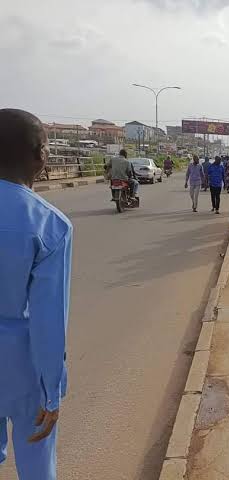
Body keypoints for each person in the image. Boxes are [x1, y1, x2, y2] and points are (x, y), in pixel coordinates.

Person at [0, 109, 73, 480]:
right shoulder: (48, 223)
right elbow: (49, 319)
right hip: (21, 365)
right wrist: (52, 391)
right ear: (39, 155)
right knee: (36, 462)